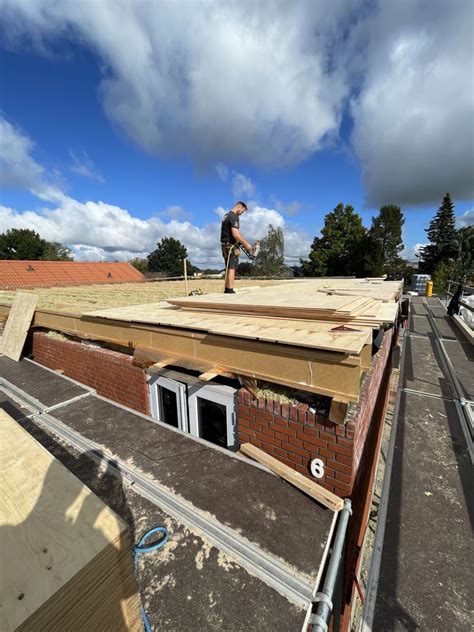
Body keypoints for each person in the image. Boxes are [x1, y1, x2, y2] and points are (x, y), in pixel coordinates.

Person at [220, 201, 253, 293]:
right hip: (230, 246)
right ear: (239, 207)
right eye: (242, 211)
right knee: (232, 266)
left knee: (227, 266)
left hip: (224, 244)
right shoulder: (234, 217)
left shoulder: (226, 216)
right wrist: (246, 244)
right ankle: (230, 289)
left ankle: (227, 288)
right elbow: (235, 234)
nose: (241, 214)